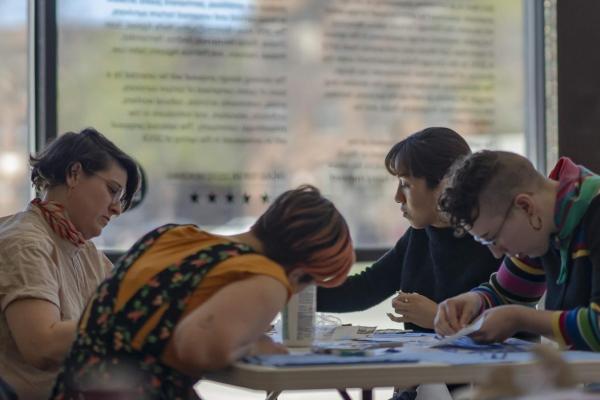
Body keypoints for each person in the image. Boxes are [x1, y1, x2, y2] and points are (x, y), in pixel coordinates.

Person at [50, 184, 355, 400]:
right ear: (301, 270)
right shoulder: (268, 277)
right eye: (308, 282)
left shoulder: (173, 236)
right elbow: (196, 347)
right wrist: (253, 346)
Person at [0, 128, 141, 400]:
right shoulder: (26, 243)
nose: (117, 208)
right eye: (112, 191)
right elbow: (41, 346)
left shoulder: (87, 254)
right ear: (74, 174)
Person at [317, 127, 501, 332]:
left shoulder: (495, 239)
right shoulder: (419, 235)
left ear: (444, 184)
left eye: (405, 184)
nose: (397, 197)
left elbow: (510, 321)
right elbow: (366, 289)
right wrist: (290, 290)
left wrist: (437, 317)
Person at [435, 150, 600, 350]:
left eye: (493, 239)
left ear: (526, 206)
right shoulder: (550, 223)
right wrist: (474, 301)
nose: (496, 253)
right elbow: (505, 293)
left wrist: (521, 319)